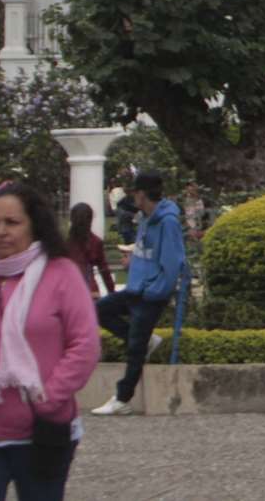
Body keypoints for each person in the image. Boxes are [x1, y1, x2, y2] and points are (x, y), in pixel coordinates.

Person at [0, 181, 101, 501]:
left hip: (39, 432)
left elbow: (85, 344)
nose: (1, 231)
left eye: (12, 222)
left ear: (33, 225)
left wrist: (47, 398)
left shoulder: (61, 273)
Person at [89, 171, 185, 417]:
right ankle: (145, 342)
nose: (134, 198)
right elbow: (148, 252)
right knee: (99, 311)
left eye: (135, 193)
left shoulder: (167, 222)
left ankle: (122, 399)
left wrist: (154, 290)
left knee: (135, 349)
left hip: (150, 294)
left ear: (141, 194)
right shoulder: (146, 218)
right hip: (136, 288)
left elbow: (172, 264)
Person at [63, 205, 115, 299]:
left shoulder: (65, 244)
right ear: (90, 220)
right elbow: (104, 271)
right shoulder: (96, 242)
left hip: (69, 291)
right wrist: (112, 293)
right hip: (91, 291)